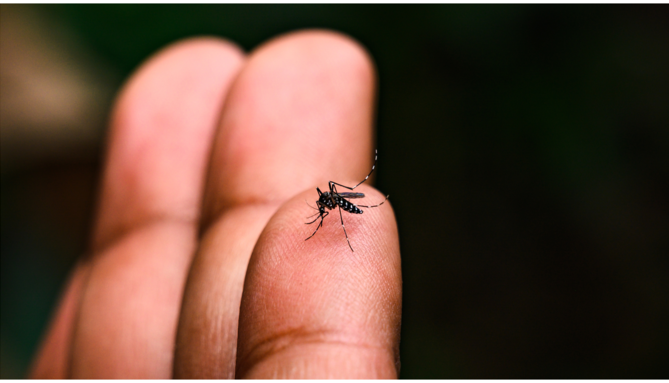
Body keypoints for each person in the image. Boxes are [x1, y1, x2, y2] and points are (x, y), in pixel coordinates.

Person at [29, 29, 402, 379]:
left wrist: (338, 215)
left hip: (350, 210)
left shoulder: (334, 200)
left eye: (325, 203)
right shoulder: (325, 199)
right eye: (325, 204)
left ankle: (359, 212)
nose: (323, 203)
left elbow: (331, 209)